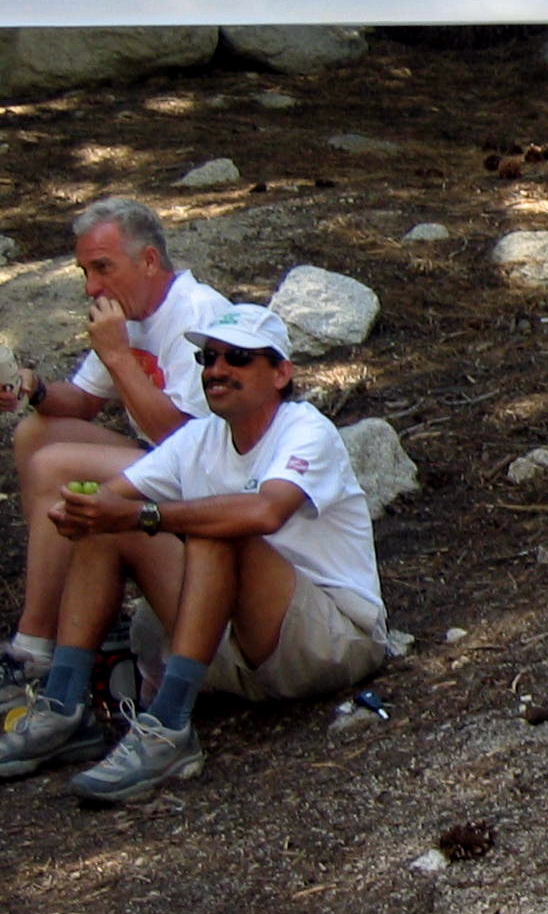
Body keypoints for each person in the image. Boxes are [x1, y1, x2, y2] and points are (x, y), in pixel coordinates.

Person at [0, 305, 391, 805]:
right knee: (106, 519)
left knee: (217, 528)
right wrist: (81, 511)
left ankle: (168, 728)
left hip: (329, 643)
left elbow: (266, 512)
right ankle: (63, 705)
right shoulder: (200, 438)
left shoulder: (305, 431)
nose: (217, 370)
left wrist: (147, 516)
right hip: (230, 647)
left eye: (238, 358)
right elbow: (116, 498)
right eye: (208, 358)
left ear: (280, 373)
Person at [0, 198, 232, 701]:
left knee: (55, 463)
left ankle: (33, 645)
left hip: (206, 481)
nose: (92, 287)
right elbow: (81, 401)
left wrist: (118, 354)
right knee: (36, 434)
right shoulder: (129, 318)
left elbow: (185, 442)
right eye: (85, 271)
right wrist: (33, 388)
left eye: (103, 268)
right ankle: (67, 617)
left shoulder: (197, 313)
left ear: (149, 260)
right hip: (162, 465)